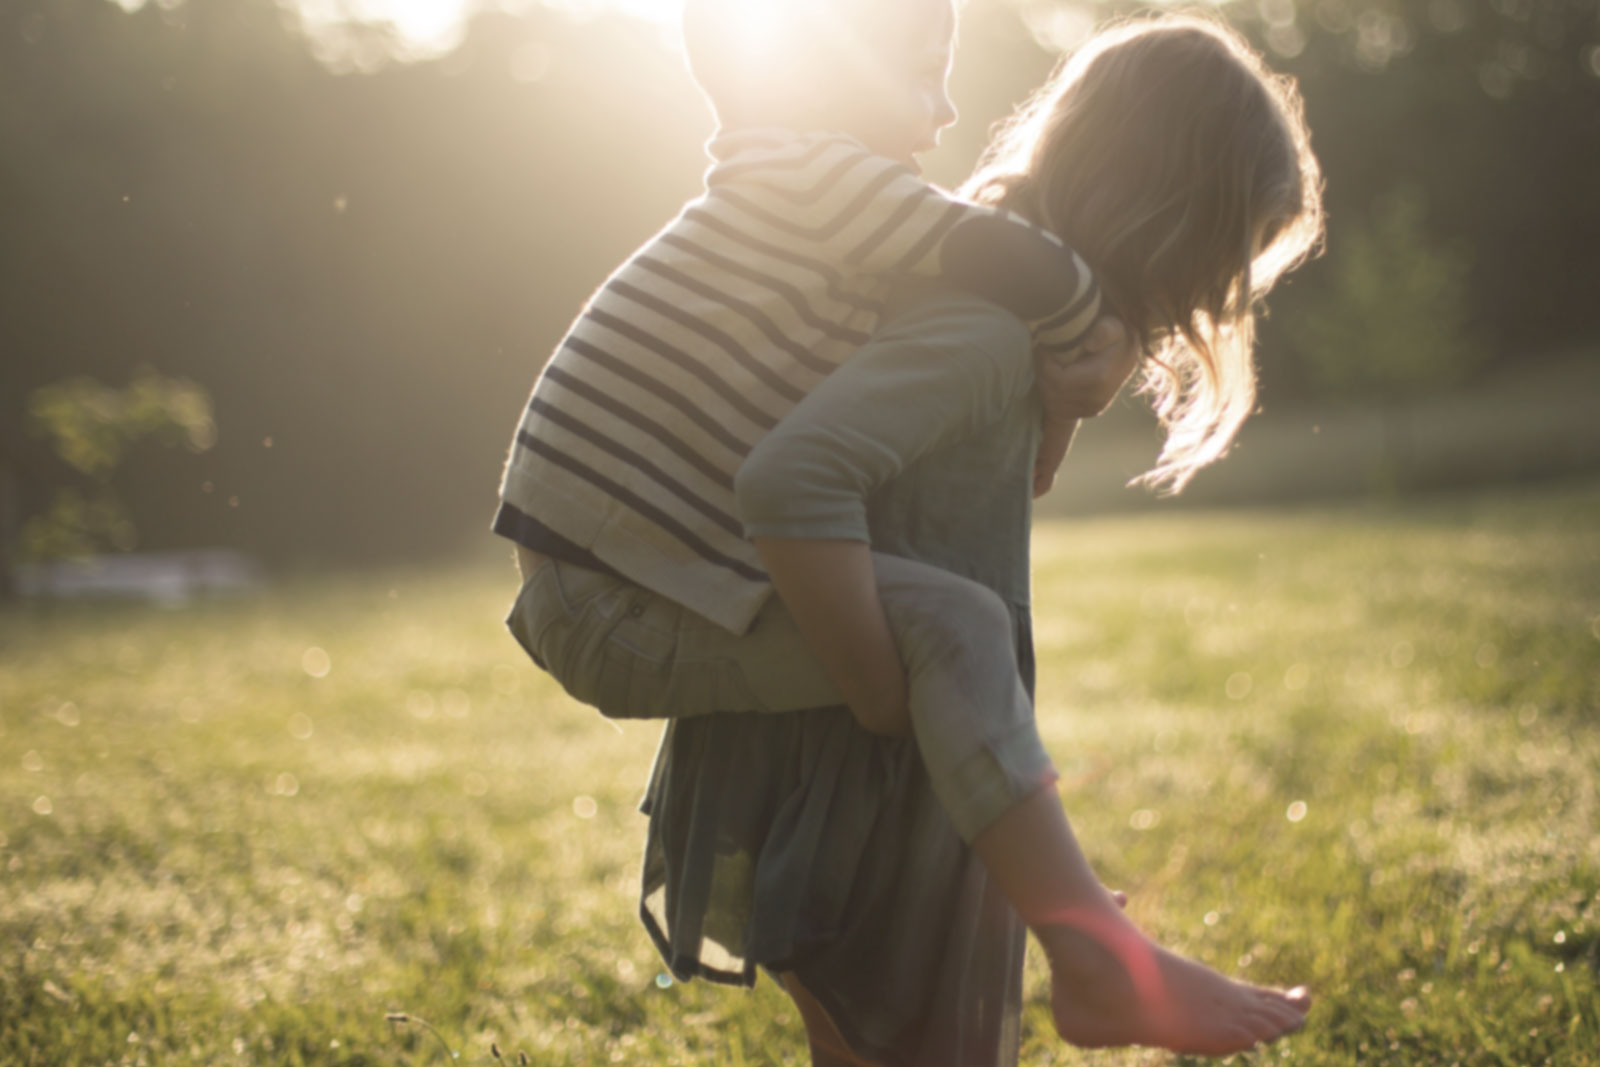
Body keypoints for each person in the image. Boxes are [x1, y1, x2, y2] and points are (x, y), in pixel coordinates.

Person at [636, 12, 1326, 1066]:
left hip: (876, 739)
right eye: (1221, 259)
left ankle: (1092, 948)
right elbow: (794, 478)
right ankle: (1100, 958)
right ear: (1166, 221)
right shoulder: (982, 330)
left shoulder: (994, 312)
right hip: (866, 750)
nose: (1210, 297)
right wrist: (879, 695)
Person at [497, 0, 1132, 997]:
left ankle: (1026, 886)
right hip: (606, 598)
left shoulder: (796, 190)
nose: (948, 102)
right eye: (921, 70)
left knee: (934, 625)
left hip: (607, 582)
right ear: (821, 77)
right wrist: (1094, 330)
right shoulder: (808, 176)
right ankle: (1074, 932)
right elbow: (1005, 257)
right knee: (953, 627)